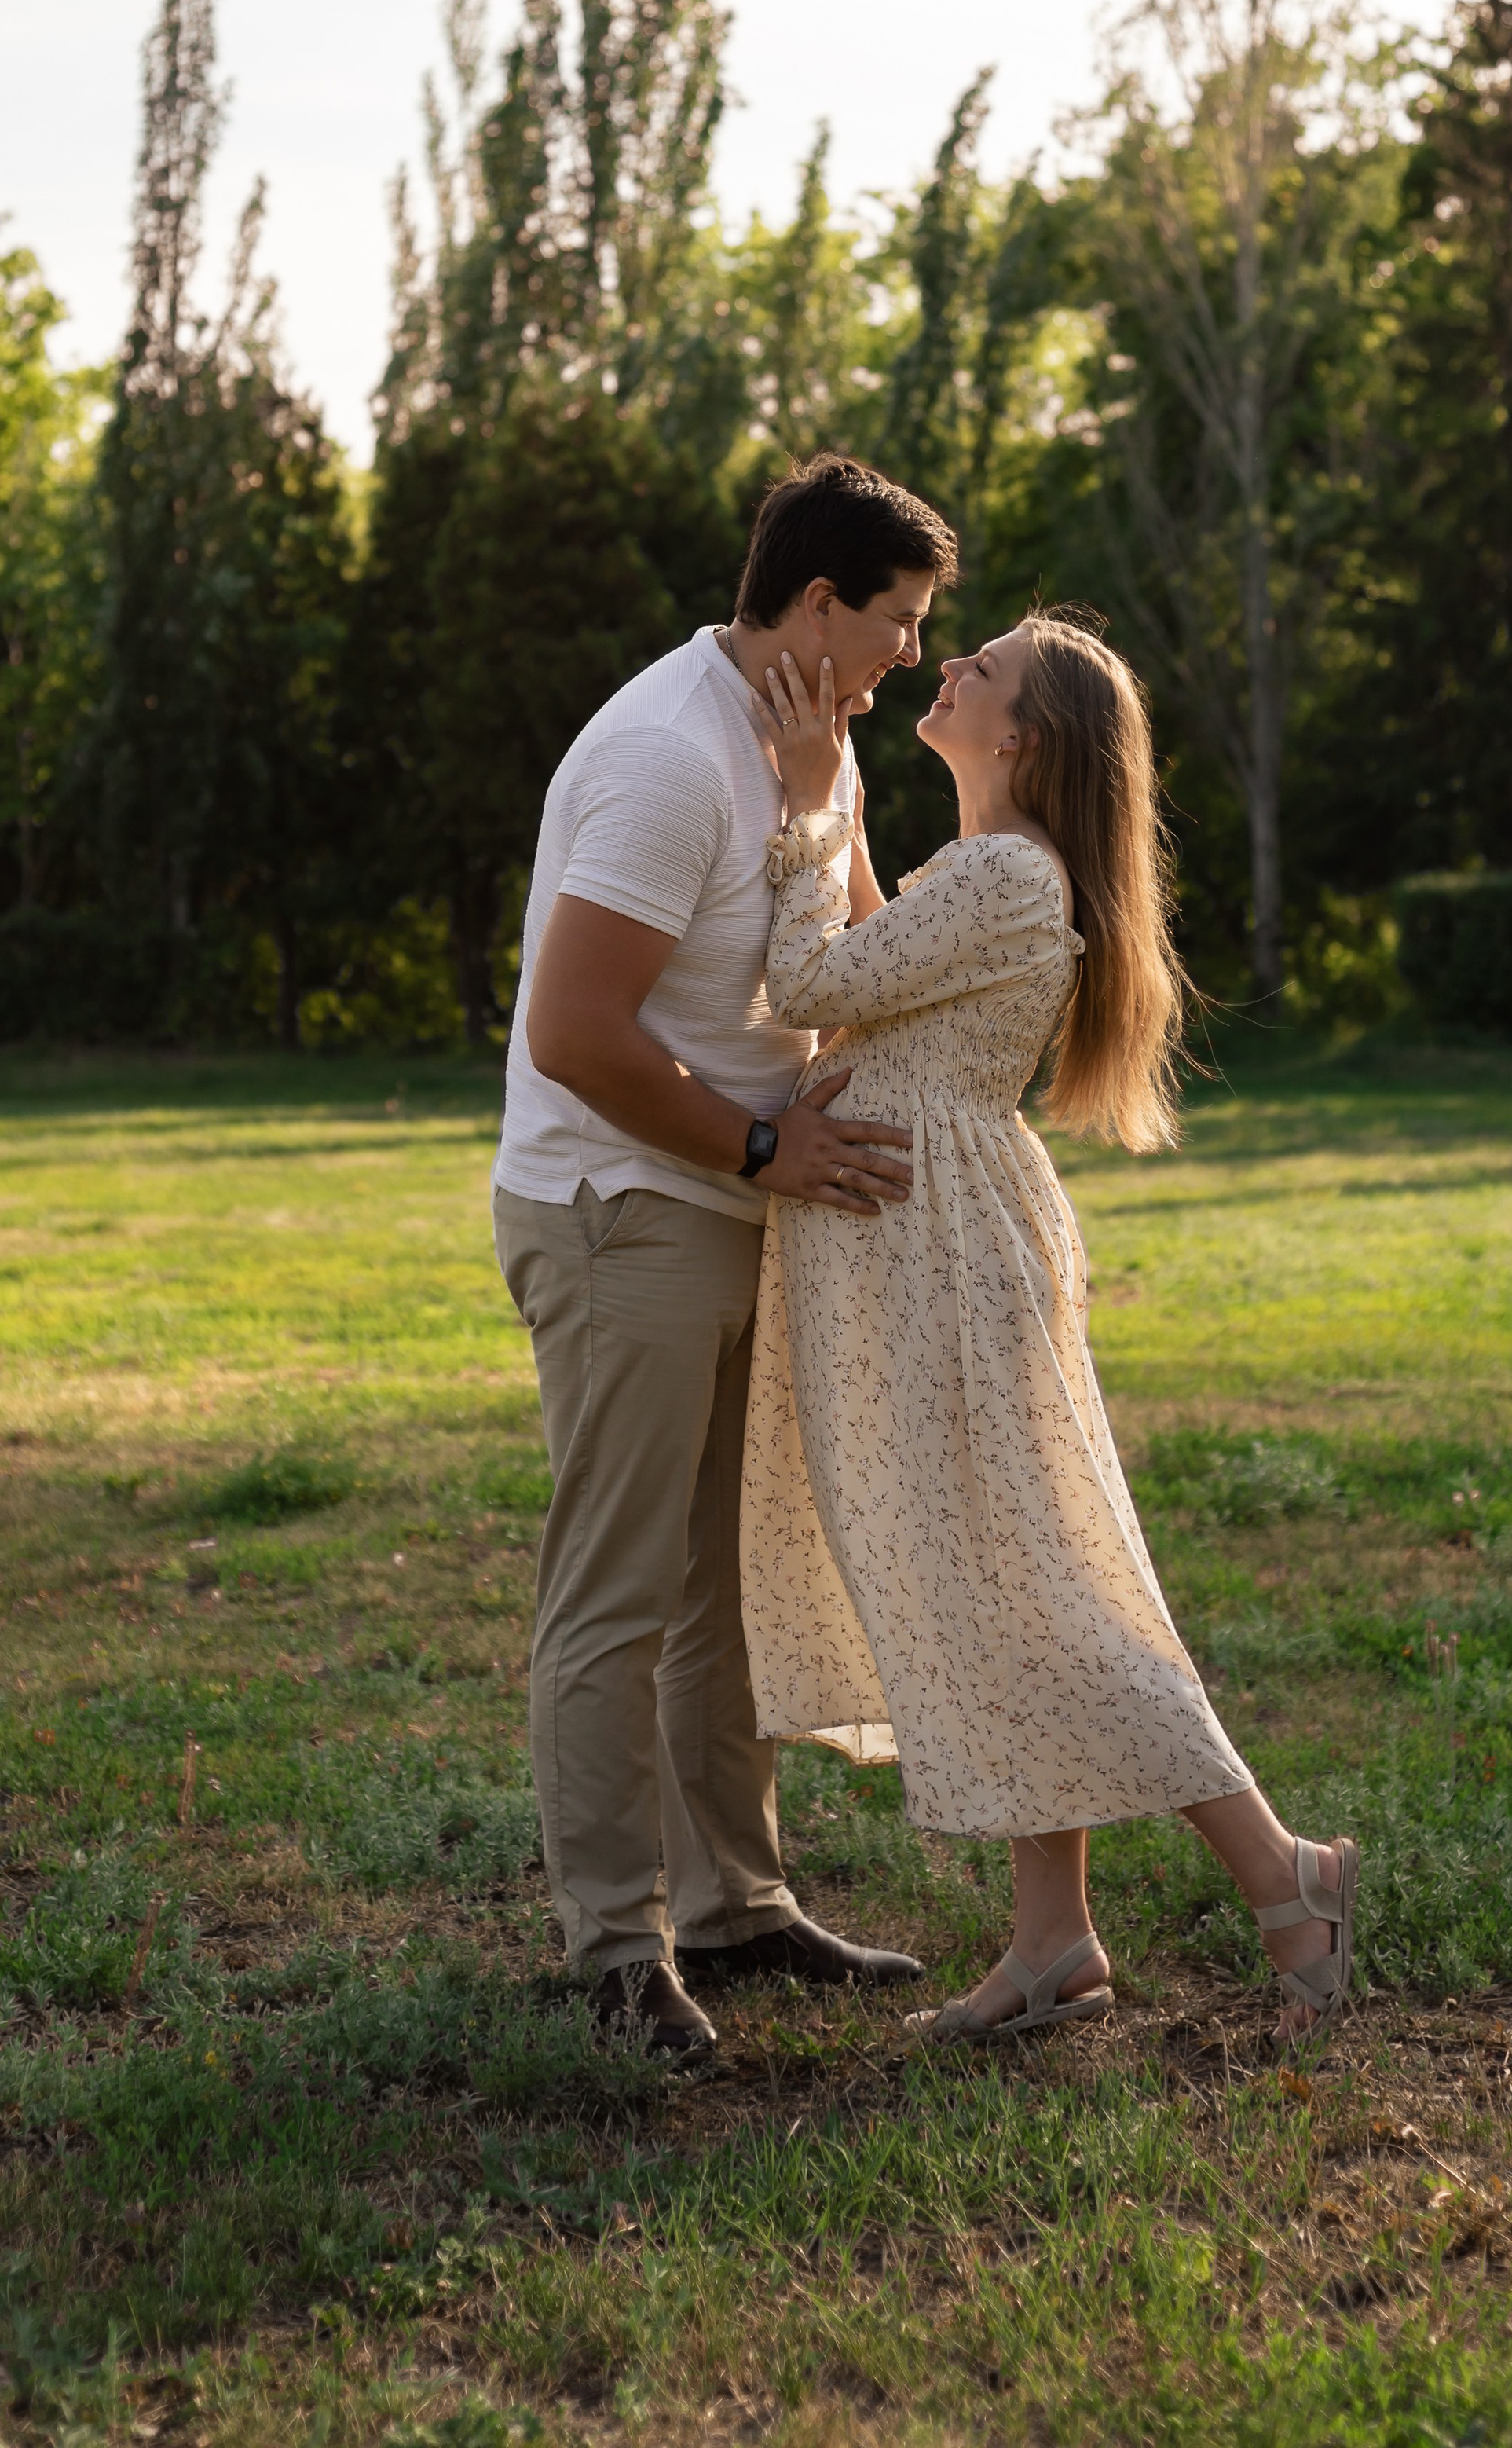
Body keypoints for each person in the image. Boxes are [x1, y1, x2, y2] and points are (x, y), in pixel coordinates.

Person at [738, 615, 1357, 2043]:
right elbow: (872, 977)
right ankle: (1053, 1941)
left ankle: (1287, 1873)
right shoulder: (983, 871)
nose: (947, 670)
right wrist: (841, 820)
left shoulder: (1012, 874)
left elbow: (811, 987)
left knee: (1047, 1587)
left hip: (943, 1252)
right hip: (922, 1242)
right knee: (1001, 1581)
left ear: (1021, 736)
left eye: (983, 671)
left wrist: (804, 800)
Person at [494, 455, 960, 2059]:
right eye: (897, 621)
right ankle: (617, 1951)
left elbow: (847, 954)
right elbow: (570, 1033)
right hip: (622, 1206)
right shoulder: (664, 757)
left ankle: (733, 1907)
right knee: (615, 1595)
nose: (910, 653)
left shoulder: (810, 747)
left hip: (735, 1206)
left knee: (722, 1590)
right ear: (817, 604)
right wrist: (763, 1145)